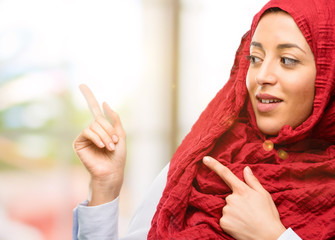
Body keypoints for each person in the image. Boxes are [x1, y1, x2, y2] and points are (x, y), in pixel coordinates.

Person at [73, 0, 335, 239]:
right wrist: (105, 188)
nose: (262, 76)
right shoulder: (201, 160)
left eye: (287, 60)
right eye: (255, 58)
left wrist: (272, 235)